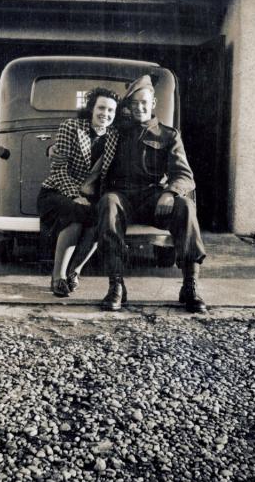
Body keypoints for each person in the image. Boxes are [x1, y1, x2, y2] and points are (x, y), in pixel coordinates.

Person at [97, 75, 207, 312]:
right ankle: (116, 286)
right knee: (108, 202)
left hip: (152, 199)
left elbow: (185, 176)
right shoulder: (117, 132)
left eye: (144, 103)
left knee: (186, 207)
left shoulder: (169, 135)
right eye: (134, 104)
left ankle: (190, 286)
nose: (139, 108)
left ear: (153, 103)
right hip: (122, 197)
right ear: (128, 107)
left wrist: (170, 193)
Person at [37, 87, 120, 297]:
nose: (105, 114)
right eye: (101, 107)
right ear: (92, 107)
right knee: (75, 215)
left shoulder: (114, 136)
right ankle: (58, 277)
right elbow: (58, 169)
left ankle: (75, 272)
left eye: (111, 110)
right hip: (56, 191)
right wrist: (75, 195)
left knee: (97, 218)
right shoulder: (71, 127)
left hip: (89, 196)